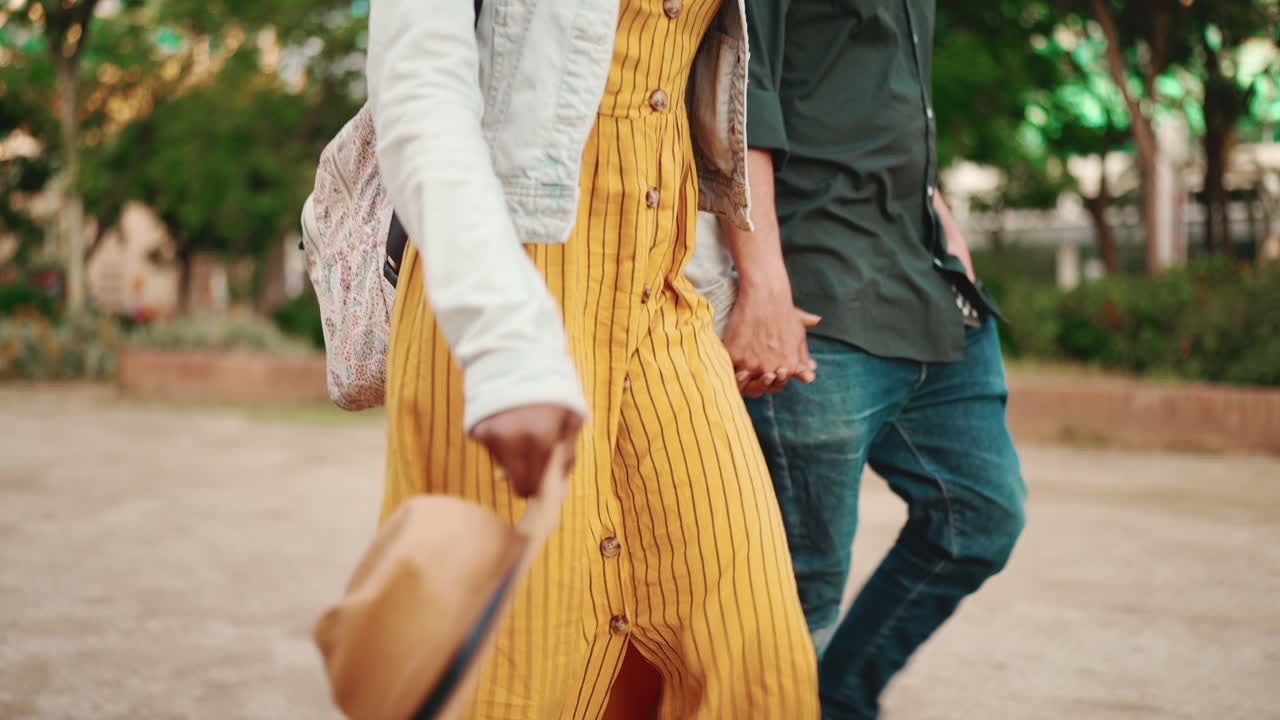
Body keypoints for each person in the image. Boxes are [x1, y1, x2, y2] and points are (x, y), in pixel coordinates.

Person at [366, 0, 819, 718]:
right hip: (511, 290)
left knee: (754, 661)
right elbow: (417, 87)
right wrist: (502, 344)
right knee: (508, 676)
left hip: (661, 296)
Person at [687, 1, 1028, 717]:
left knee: (981, 514)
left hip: (927, 278)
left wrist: (940, 217)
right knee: (799, 590)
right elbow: (739, 94)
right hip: (822, 293)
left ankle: (836, 703)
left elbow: (889, 98)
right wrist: (765, 284)